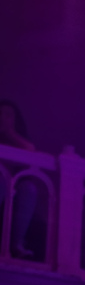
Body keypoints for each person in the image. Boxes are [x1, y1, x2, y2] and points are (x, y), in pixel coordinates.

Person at [0, 99, 39, 259]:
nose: (3, 117)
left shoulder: (19, 141)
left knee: (29, 189)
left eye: (8, 115)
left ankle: (16, 244)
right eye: (0, 114)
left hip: (11, 191)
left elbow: (30, 150)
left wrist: (8, 132)